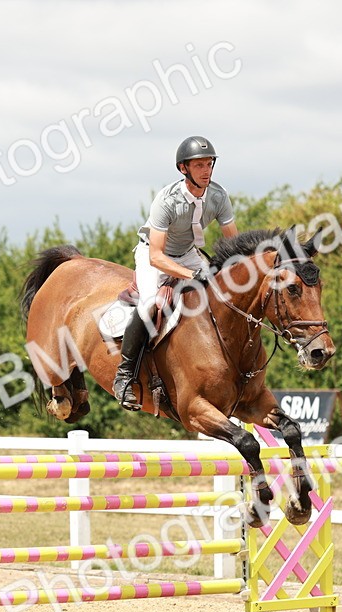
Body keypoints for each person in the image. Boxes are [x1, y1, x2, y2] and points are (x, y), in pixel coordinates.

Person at [113, 135, 239, 411]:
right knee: (149, 306)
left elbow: (233, 244)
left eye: (209, 165)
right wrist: (191, 276)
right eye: (199, 166)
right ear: (184, 169)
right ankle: (123, 376)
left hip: (189, 254)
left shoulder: (218, 196)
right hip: (153, 256)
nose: (206, 171)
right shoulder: (167, 200)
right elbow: (157, 256)